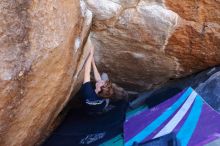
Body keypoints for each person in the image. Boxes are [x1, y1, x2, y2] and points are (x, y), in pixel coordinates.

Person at [80, 46, 128, 115]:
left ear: (99, 90)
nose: (102, 81)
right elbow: (99, 79)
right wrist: (92, 61)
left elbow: (87, 71)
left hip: (91, 107)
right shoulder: (103, 95)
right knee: (104, 77)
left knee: (103, 78)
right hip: (102, 104)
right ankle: (116, 94)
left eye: (102, 83)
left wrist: (91, 54)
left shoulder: (88, 92)